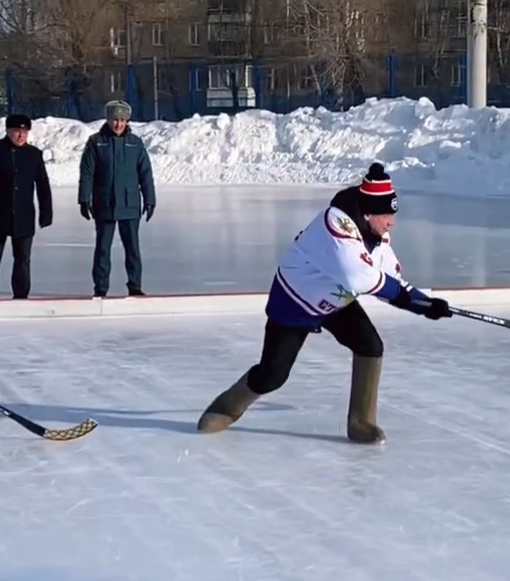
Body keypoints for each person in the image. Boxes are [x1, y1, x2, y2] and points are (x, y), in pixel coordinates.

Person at [195, 162, 451, 444]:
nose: (392, 222)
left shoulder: (377, 236)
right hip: (296, 301)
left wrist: (425, 305)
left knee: (370, 346)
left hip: (335, 301)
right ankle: (225, 408)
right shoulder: (335, 226)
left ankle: (361, 422)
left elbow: (392, 279)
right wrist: (405, 297)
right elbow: (359, 277)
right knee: (273, 375)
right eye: (386, 215)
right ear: (367, 214)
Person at [77, 99, 155, 297]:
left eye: (122, 120)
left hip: (130, 204)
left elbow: (145, 173)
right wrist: (84, 198)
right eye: (114, 120)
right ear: (108, 119)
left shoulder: (135, 143)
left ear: (127, 121)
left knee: (133, 249)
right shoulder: (96, 142)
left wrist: (149, 198)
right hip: (105, 203)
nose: (118, 124)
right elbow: (87, 172)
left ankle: (135, 286)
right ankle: (100, 288)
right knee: (102, 249)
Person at [0, 113, 53, 300]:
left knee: (23, 260)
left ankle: (21, 294)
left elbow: (43, 185)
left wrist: (46, 212)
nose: (21, 136)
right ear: (8, 131)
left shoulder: (34, 154)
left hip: (24, 217)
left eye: (24, 132)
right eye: (17, 131)